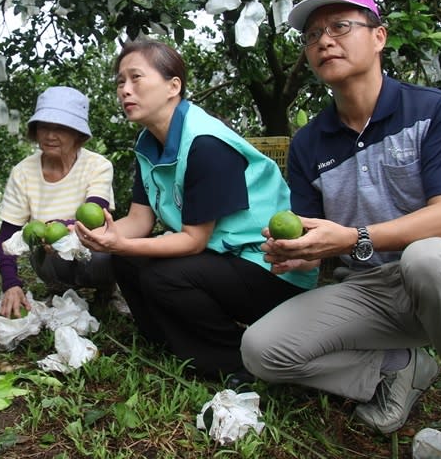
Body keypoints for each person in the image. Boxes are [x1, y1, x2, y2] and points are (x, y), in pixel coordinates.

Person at [240, 0, 441, 458]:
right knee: (261, 349)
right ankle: (396, 368)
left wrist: (352, 237)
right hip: (372, 289)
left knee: (427, 258)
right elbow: (314, 236)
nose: (324, 40)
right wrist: (294, 251)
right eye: (312, 35)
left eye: (340, 26)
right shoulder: (310, 143)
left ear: (379, 36)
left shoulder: (434, 110)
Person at [74, 39, 318, 382]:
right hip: (222, 257)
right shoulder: (148, 144)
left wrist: (122, 243)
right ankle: (165, 340)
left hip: (269, 264)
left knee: (163, 276)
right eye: (119, 82)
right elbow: (139, 221)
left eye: (136, 78)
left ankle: (233, 361)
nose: (125, 90)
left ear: (173, 86)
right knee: (126, 261)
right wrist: (96, 236)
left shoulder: (204, 142)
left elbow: (193, 242)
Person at [0, 86, 115, 318]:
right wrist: (10, 283)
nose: (50, 135)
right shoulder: (23, 172)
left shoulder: (98, 166)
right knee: (43, 250)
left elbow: (95, 214)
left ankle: (106, 289)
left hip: (92, 251)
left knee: (103, 250)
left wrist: (58, 226)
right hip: (50, 261)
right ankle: (60, 288)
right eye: (44, 127)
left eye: (61, 128)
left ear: (78, 134)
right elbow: (7, 235)